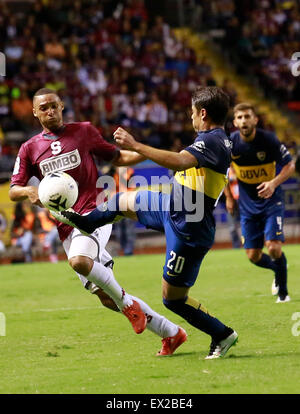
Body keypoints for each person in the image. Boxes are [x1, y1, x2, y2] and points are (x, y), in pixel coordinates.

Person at [54, 86, 239, 359]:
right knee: (120, 201)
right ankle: (86, 224)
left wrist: (135, 145)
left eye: (191, 113)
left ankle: (222, 335)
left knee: (172, 299)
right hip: (172, 207)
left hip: (189, 229)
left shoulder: (213, 141)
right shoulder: (214, 138)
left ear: (203, 113)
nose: (190, 118)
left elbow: (179, 161)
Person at [9, 88, 187, 356]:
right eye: (43, 108)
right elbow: (14, 189)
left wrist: (148, 152)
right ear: (34, 112)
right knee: (105, 297)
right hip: (66, 226)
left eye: (54, 106)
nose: (50, 111)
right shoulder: (29, 148)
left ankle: (128, 304)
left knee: (80, 262)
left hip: (95, 213)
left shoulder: (83, 131)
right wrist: (29, 191)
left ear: (62, 107)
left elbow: (117, 158)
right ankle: (171, 333)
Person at [224, 103, 295, 303]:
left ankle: (283, 293)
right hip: (247, 207)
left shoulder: (268, 140)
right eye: (240, 117)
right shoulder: (231, 144)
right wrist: (229, 197)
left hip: (272, 202)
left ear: (255, 120)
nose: (244, 120)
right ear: (235, 122)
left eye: (247, 116)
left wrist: (273, 183)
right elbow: (221, 170)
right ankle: (278, 269)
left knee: (273, 247)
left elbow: (290, 165)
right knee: (253, 255)